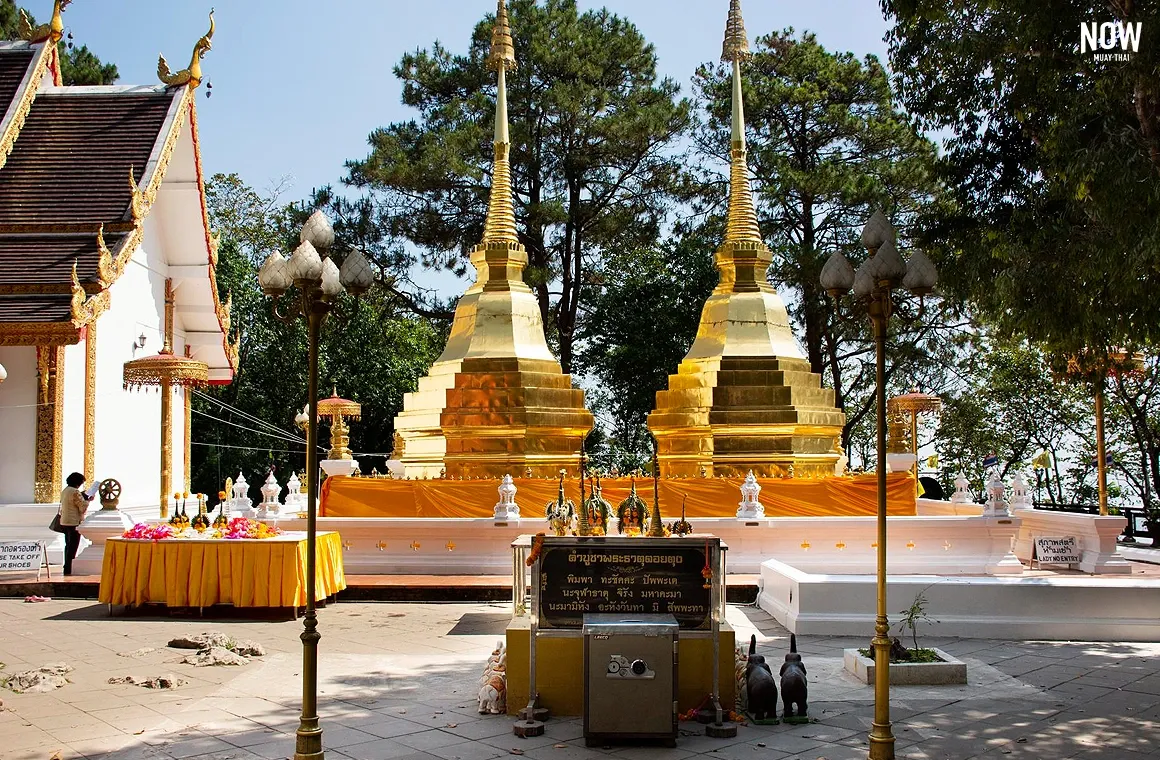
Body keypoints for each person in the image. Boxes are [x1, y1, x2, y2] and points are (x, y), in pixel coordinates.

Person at [58, 472, 92, 575]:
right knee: (73, 546)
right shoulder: (75, 492)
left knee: (68, 545)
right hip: (74, 522)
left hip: (65, 521)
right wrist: (88, 500)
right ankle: (69, 567)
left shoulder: (65, 490)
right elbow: (82, 507)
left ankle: (66, 566)